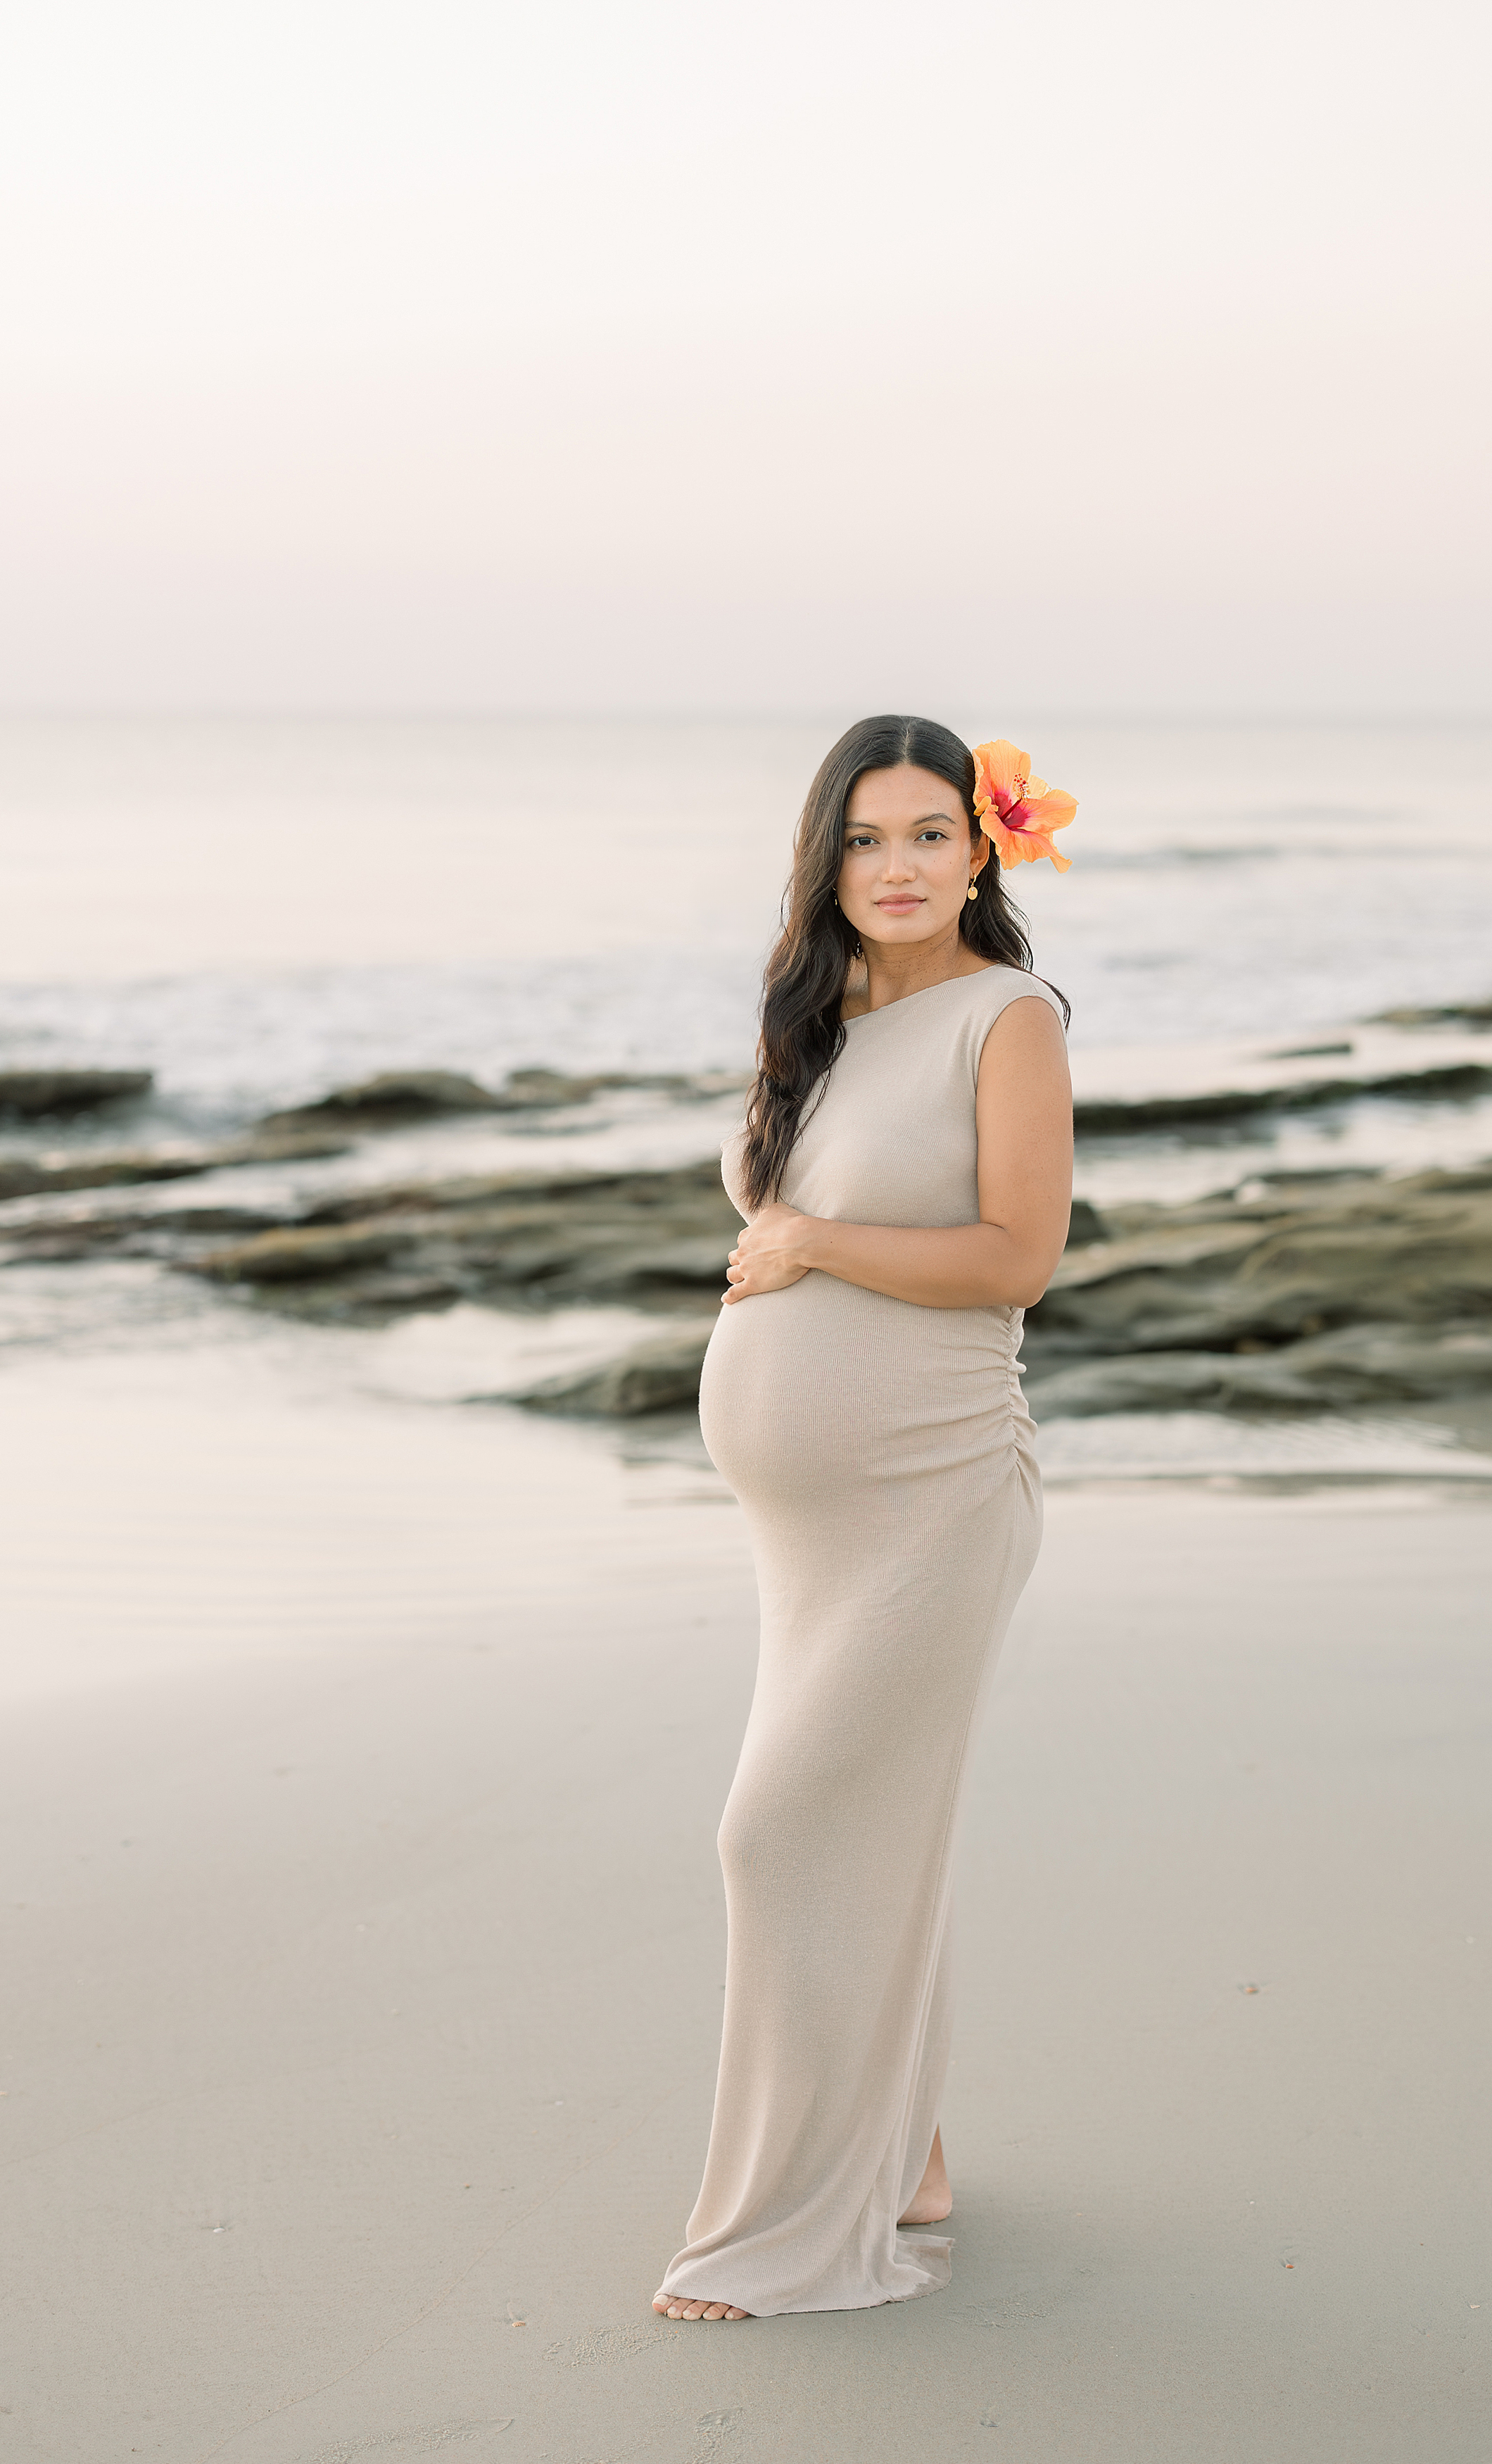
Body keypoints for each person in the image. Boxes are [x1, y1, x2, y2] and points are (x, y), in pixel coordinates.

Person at [652, 713, 1077, 2322]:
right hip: (808, 1530)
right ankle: (905, 2158)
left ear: (981, 848)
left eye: (924, 834)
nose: (893, 868)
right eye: (862, 837)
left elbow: (1013, 1257)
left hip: (935, 1499)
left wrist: (816, 1244)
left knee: (774, 1833)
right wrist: (800, 1245)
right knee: (876, 1832)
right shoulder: (814, 1021)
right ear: (823, 856)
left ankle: (781, 2229)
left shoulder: (1007, 1019)